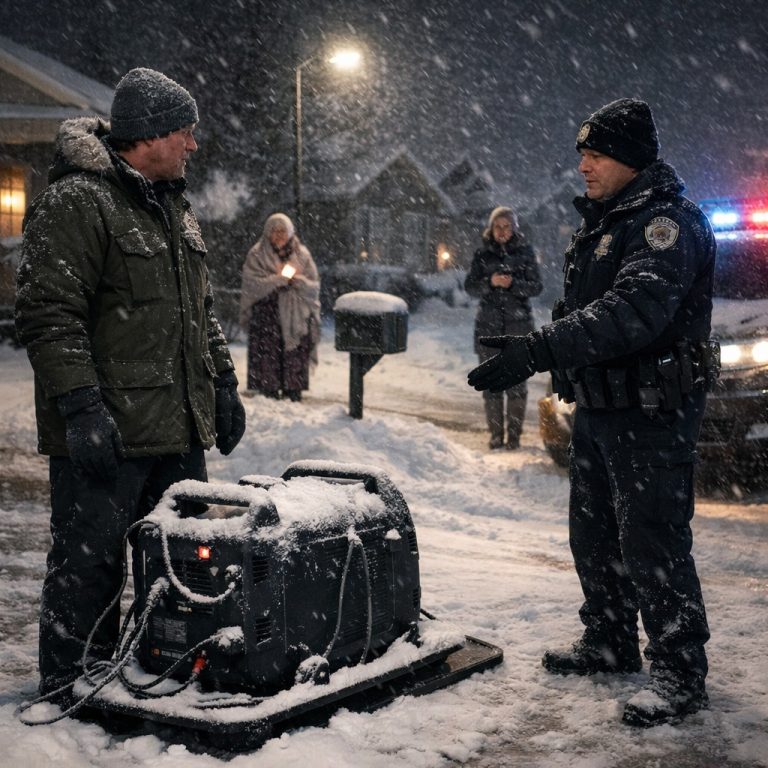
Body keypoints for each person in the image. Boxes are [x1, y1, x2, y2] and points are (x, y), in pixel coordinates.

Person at [468, 98, 718, 727]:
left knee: (652, 542)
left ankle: (679, 671)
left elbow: (634, 312)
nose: (583, 164)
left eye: (596, 153)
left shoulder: (665, 223)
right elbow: (585, 312)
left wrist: (537, 349)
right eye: (582, 152)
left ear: (632, 159)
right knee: (596, 534)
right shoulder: (605, 222)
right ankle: (609, 641)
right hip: (603, 410)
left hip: (653, 413)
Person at [15, 67, 246, 704]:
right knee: (89, 571)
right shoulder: (78, 201)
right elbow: (49, 313)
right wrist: (81, 407)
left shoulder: (173, 204)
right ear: (147, 136)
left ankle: (153, 673)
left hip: (174, 432)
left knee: (174, 568)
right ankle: (71, 686)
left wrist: (222, 384)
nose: (193, 145)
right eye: (185, 133)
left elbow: (199, 312)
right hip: (107, 434)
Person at [465, 206, 542, 449]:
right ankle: (496, 435)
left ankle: (514, 437)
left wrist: (512, 285)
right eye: (497, 226)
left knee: (517, 384)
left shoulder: (526, 253)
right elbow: (470, 287)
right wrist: (490, 282)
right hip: (488, 329)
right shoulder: (482, 255)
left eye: (506, 226)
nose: (502, 231)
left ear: (514, 228)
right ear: (491, 228)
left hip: (518, 328)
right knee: (492, 384)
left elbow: (536, 287)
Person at [238, 213, 321, 402]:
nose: (279, 235)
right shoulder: (257, 254)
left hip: (296, 315)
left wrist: (297, 282)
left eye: (283, 231)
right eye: (275, 231)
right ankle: (269, 389)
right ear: (268, 233)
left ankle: (293, 389)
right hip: (267, 315)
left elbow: (314, 286)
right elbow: (251, 284)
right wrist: (276, 281)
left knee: (294, 353)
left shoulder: (303, 255)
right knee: (267, 352)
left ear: (290, 232)